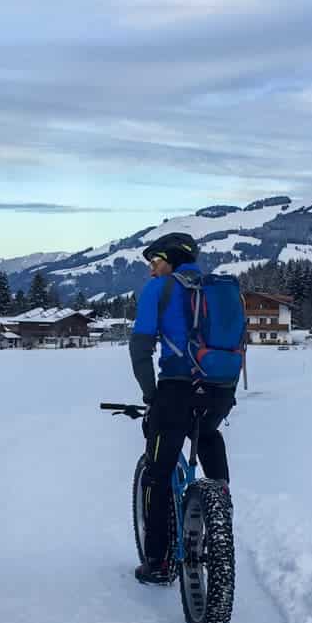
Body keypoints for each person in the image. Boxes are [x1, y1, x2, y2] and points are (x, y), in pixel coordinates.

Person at [127, 232, 237, 585]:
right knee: (207, 432)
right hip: (218, 391)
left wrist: (150, 395)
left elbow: (140, 349)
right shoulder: (219, 289)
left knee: (157, 474)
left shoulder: (159, 290)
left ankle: (157, 562)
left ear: (171, 260)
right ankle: (220, 508)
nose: (151, 271)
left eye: (155, 262)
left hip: (176, 391)